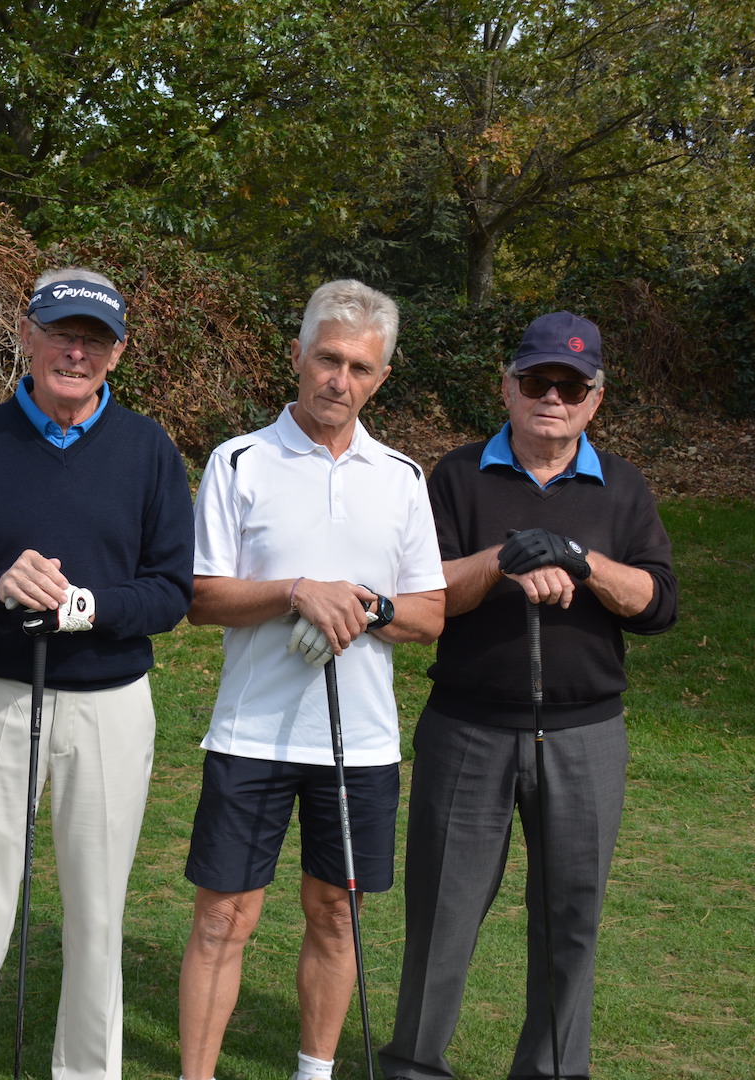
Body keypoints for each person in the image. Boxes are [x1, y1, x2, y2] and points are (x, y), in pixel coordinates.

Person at [379, 311, 679, 1080]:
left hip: (586, 735)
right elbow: (418, 593)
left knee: (570, 917)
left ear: (595, 399)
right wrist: (503, 560)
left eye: (571, 385)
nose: (553, 395)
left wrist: (582, 561)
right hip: (469, 728)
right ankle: (416, 1063)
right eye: (536, 380)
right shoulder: (453, 476)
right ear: (506, 386)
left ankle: (550, 1069)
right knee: (443, 912)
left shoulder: (623, 487)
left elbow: (658, 604)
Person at [178, 279, 446, 1080]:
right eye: (328, 359)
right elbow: (199, 596)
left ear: (381, 377)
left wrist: (363, 606)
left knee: (337, 915)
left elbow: (428, 613)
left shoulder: (401, 477)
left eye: (361, 368)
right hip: (251, 731)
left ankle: (314, 1072)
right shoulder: (239, 460)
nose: (341, 380)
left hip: (358, 742)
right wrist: (297, 590)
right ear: (296, 356)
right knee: (224, 918)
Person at [0, 269, 195, 1080]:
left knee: (95, 910)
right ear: (28, 335)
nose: (73, 352)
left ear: (117, 353)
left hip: (109, 705)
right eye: (59, 333)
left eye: (93, 339)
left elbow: (170, 590)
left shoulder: (150, 448)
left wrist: (85, 607)